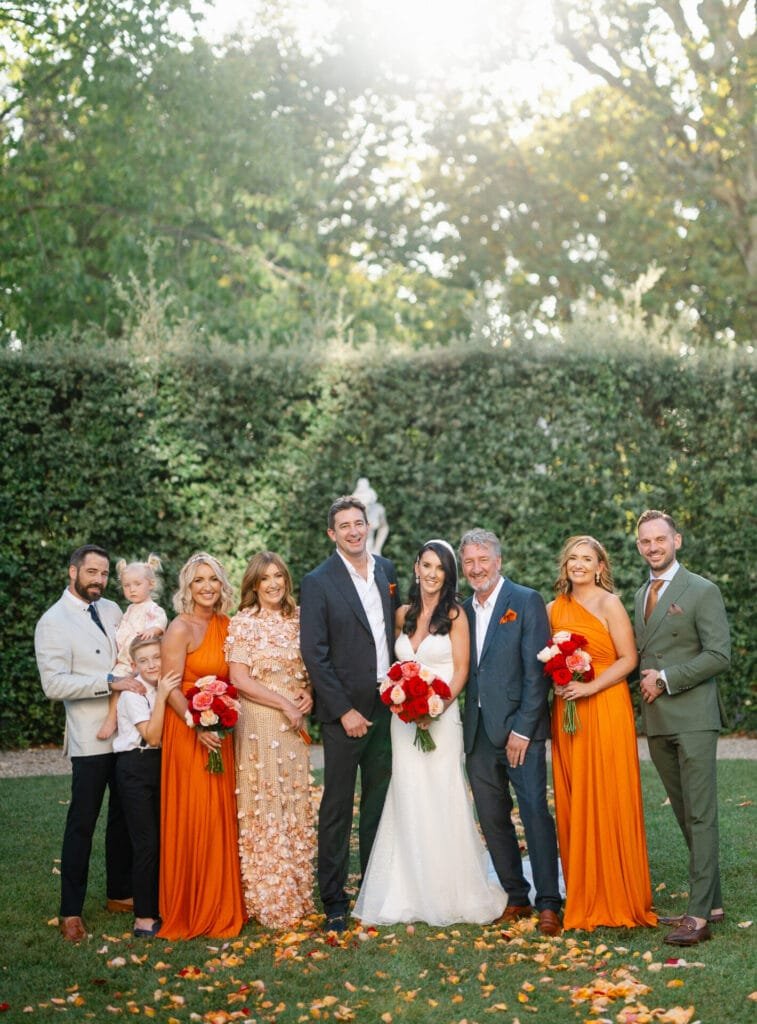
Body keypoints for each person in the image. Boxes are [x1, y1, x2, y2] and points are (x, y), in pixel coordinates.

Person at [353, 540, 506, 925]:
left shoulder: (456, 615)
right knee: (407, 793)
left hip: (443, 717)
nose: (432, 573)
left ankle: (449, 889)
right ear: (416, 568)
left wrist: (434, 706)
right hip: (403, 723)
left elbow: (461, 670)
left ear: (448, 574)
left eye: (439, 567)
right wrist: (402, 702)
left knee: (442, 793)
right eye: (426, 565)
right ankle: (405, 888)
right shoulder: (402, 614)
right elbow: (391, 667)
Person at [300, 495, 400, 933]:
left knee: (380, 802)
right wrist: (343, 710)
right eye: (345, 526)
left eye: (359, 523)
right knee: (337, 807)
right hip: (345, 714)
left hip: (388, 705)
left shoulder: (388, 571)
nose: (354, 531)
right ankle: (334, 898)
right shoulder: (318, 581)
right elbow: (314, 653)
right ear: (332, 534)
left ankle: (374, 891)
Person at [34, 543, 141, 943]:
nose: (98, 580)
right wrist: (107, 683)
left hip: (128, 733)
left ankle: (120, 893)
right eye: (91, 572)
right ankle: (70, 912)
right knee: (82, 822)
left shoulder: (114, 609)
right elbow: (53, 684)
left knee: (124, 819)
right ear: (73, 572)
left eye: (104, 573)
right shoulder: (53, 621)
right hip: (89, 737)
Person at [548, 535, 656, 930]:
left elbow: (629, 659)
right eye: (572, 558)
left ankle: (618, 892)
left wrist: (590, 686)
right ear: (566, 565)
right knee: (576, 797)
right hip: (568, 712)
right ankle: (584, 889)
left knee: (609, 792)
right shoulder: (553, 609)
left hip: (605, 706)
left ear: (600, 566)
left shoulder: (610, 604)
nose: (579, 564)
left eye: (587, 559)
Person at [634, 510, 731, 947]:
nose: (653, 547)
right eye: (645, 542)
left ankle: (698, 916)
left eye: (660, 539)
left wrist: (667, 678)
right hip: (657, 720)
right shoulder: (640, 595)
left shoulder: (701, 590)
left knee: (701, 812)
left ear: (677, 540)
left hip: (692, 716)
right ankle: (710, 901)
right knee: (681, 811)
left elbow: (718, 655)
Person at [460, 528, 562, 937]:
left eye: (483, 559)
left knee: (535, 812)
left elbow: (538, 673)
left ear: (498, 561)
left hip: (522, 732)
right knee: (492, 816)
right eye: (469, 561)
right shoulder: (460, 611)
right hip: (478, 734)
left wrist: (524, 728)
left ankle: (549, 902)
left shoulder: (525, 600)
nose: (476, 568)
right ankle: (516, 896)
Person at [225, 551, 316, 929]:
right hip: (259, 722)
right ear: (254, 585)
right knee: (263, 804)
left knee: (293, 802)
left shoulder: (299, 620)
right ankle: (266, 898)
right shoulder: (243, 623)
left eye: (279, 575)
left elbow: (311, 667)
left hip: (293, 730)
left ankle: (296, 891)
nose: (274, 583)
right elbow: (240, 679)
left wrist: (308, 694)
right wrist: (283, 704)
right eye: (266, 578)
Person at [157, 552, 245, 939]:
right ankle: (191, 904)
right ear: (187, 588)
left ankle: (221, 900)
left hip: (221, 731)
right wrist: (196, 724)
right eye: (198, 581)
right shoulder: (180, 628)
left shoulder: (230, 625)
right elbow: (170, 685)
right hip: (188, 732)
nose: (207, 587)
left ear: (222, 584)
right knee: (194, 813)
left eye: (212, 579)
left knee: (219, 814)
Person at [113, 636, 181, 938]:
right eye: (144, 660)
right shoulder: (134, 694)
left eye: (156, 657)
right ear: (134, 665)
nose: (152, 664)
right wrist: (164, 696)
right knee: (146, 843)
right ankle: (143, 917)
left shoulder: (166, 685)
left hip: (163, 767)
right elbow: (153, 737)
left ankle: (163, 904)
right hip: (136, 766)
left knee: (164, 839)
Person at [97, 554, 168, 740]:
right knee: (115, 683)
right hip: (125, 660)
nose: (132, 590)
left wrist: (154, 629)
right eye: (127, 586)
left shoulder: (151, 608)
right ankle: (114, 718)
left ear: (151, 584)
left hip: (140, 660)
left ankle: (113, 719)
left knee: (128, 687)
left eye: (137, 584)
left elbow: (162, 621)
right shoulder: (128, 610)